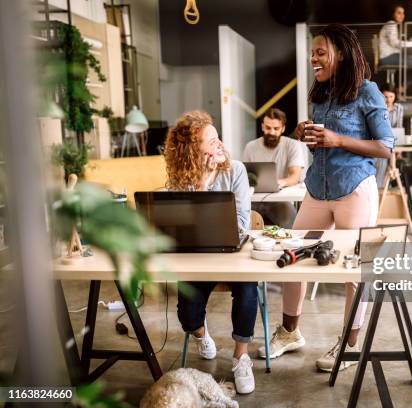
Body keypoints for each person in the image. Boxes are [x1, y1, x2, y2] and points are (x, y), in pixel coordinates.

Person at [258, 23, 394, 372]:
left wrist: (338, 140)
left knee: (353, 269)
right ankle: (290, 332)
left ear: (342, 53)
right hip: (317, 189)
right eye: (312, 53)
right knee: (293, 256)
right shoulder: (320, 94)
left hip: (354, 189)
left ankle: (349, 345)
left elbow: (385, 147)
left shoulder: (368, 92)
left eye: (320, 52)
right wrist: (302, 132)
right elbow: (320, 140)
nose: (313, 58)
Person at [164, 111, 257, 394]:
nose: (220, 145)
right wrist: (203, 184)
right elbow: (182, 230)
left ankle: (241, 356)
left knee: (248, 291)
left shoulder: (236, 171)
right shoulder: (180, 178)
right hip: (197, 256)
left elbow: (241, 225)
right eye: (212, 140)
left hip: (232, 254)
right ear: (193, 150)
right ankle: (201, 335)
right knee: (188, 316)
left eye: (218, 138)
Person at [242, 108, 306, 228]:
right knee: (242, 223)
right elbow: (245, 176)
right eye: (268, 127)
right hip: (254, 200)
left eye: (276, 128)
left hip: (280, 201)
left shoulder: (293, 145)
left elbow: (295, 176)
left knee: (293, 228)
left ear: (283, 128)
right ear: (262, 127)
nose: (271, 132)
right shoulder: (250, 147)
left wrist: (278, 183)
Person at [378, 4, 412, 99]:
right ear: (393, 14)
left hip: (390, 56)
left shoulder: (393, 25)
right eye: (399, 13)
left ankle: (401, 88)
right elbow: (394, 42)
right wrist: (408, 43)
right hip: (388, 57)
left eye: (403, 13)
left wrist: (407, 42)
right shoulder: (391, 24)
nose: (402, 15)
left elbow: (394, 42)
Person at [374, 83, 404, 187]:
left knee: (391, 171)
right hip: (381, 143)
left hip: (394, 142)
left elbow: (399, 128)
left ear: (395, 96)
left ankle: (385, 192)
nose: (388, 100)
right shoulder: (377, 107)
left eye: (391, 97)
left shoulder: (399, 108)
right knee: (380, 169)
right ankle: (379, 191)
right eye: (385, 97)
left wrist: (399, 148)